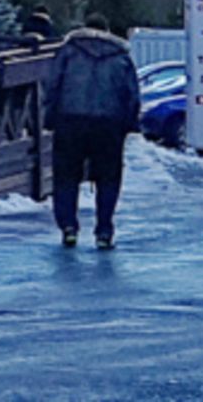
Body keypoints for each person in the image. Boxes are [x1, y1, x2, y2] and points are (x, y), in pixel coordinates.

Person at [46, 12, 141, 249]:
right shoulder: (121, 56)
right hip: (108, 123)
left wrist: (49, 118)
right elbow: (132, 94)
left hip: (70, 120)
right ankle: (104, 231)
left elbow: (52, 85)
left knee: (66, 176)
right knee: (108, 178)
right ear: (108, 31)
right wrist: (129, 124)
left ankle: (68, 227)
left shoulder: (68, 51)